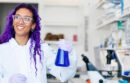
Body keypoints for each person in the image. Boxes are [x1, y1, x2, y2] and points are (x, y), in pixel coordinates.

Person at [0, 3, 77, 83]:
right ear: (13, 21)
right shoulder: (2, 50)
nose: (20, 22)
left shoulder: (42, 49)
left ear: (33, 25)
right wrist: (7, 81)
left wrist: (69, 54)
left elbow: (63, 74)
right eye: (17, 17)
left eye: (26, 18)